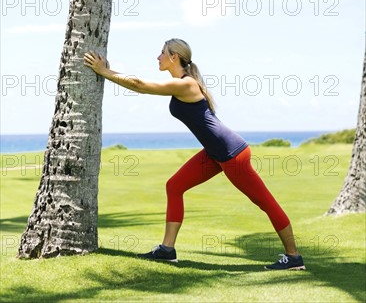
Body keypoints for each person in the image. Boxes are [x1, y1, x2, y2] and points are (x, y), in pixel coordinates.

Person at [84, 38, 305, 271]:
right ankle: (167, 250)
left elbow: (139, 85)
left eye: (162, 53)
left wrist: (104, 71)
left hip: (232, 154)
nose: (157, 57)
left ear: (174, 57)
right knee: (175, 185)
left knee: (265, 202)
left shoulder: (187, 84)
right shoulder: (182, 83)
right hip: (214, 153)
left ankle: (293, 257)